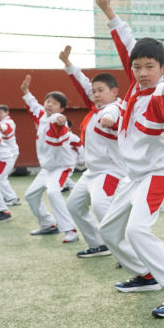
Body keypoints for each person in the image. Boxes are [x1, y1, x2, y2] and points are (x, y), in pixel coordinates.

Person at [94, 0, 164, 319]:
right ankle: (147, 273)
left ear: (162, 67)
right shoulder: (137, 86)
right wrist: (110, 14)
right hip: (133, 174)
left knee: (138, 229)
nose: (141, 72)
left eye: (149, 67)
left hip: (157, 172)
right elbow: (127, 45)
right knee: (109, 230)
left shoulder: (162, 94)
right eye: (137, 66)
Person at [59, 45, 126, 258]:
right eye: (94, 91)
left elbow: (115, 110)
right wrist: (68, 64)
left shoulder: (118, 108)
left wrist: (111, 118)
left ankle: (126, 252)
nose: (95, 94)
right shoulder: (96, 108)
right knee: (74, 206)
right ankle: (98, 244)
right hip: (91, 172)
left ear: (114, 92)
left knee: (101, 206)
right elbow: (83, 83)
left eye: (101, 91)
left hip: (111, 171)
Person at [20, 75, 80, 243]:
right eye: (48, 101)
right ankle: (48, 224)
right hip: (47, 168)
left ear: (61, 109)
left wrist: (61, 120)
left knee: (53, 192)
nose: (49, 104)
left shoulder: (57, 119)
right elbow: (33, 103)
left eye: (54, 103)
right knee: (31, 195)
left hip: (62, 166)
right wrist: (25, 91)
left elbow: (57, 120)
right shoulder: (41, 115)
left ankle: (70, 231)